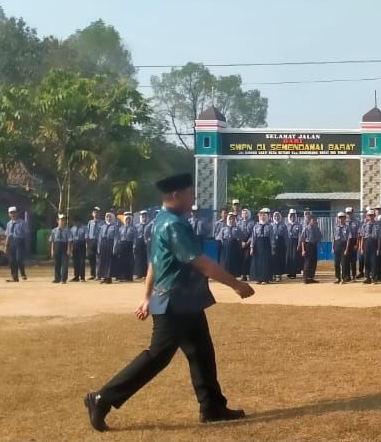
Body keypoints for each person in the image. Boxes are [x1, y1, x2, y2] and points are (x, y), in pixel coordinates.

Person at [84, 172, 254, 432]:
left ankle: (212, 406)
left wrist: (146, 297)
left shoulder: (163, 220)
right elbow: (200, 262)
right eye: (190, 193)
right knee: (157, 356)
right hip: (174, 303)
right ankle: (101, 399)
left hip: (187, 302)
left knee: (201, 353)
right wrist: (236, 285)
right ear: (176, 195)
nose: (193, 197)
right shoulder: (172, 224)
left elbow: (155, 262)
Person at [249, 209, 274, 285]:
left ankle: (266, 279)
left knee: (266, 262)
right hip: (258, 245)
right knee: (258, 262)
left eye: (264, 215)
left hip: (266, 245)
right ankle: (258, 278)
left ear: (266, 216)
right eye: (261, 215)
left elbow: (272, 238)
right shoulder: (256, 226)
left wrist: (273, 248)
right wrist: (252, 247)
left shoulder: (270, 226)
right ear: (259, 217)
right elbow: (253, 237)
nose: (262, 217)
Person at [299, 210, 321, 284]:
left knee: (314, 262)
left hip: (314, 246)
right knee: (307, 262)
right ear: (309, 220)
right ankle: (305, 278)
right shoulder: (306, 228)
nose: (314, 221)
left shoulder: (316, 228)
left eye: (315, 220)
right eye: (312, 220)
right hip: (307, 245)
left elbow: (320, 237)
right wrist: (303, 250)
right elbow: (302, 239)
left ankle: (311, 277)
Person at [218, 213, 243, 278]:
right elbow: (221, 238)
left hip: (235, 246)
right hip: (226, 246)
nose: (231, 220)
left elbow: (240, 237)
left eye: (233, 219)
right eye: (230, 219)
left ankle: (234, 274)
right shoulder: (224, 228)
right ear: (227, 220)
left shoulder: (238, 228)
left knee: (234, 260)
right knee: (226, 260)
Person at [98, 212, 119, 284]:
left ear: (112, 218)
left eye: (110, 217)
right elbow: (100, 237)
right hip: (103, 244)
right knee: (102, 261)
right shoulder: (102, 226)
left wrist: (114, 247)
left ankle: (108, 277)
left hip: (110, 244)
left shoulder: (115, 227)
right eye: (107, 217)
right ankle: (102, 277)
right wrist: (99, 247)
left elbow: (116, 238)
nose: (108, 218)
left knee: (109, 262)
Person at [50, 214, 71, 284]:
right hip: (56, 246)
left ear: (65, 221)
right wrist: (52, 250)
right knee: (57, 264)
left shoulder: (67, 230)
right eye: (60, 220)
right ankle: (57, 278)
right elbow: (52, 241)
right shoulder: (54, 230)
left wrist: (68, 249)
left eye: (63, 220)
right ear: (57, 221)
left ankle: (63, 279)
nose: (62, 221)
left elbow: (69, 241)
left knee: (64, 264)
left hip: (64, 246)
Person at [85, 207, 103, 280]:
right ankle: (93, 274)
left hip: (99, 241)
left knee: (99, 259)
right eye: (94, 212)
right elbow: (87, 232)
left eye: (97, 212)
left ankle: (99, 275)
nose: (96, 214)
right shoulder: (90, 222)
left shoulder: (102, 222)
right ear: (92, 214)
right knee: (91, 258)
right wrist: (87, 243)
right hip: (91, 241)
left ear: (99, 214)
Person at [332, 212, 350, 284]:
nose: (341, 219)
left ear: (345, 218)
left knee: (343, 263)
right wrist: (332, 247)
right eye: (340, 217)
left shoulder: (347, 227)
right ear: (338, 218)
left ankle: (343, 278)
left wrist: (347, 249)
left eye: (342, 217)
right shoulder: (335, 227)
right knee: (336, 263)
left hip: (344, 245)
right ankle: (337, 278)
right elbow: (333, 238)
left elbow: (348, 238)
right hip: (337, 244)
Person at [70, 215, 87, 282]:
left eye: (76, 222)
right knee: (75, 262)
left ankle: (82, 277)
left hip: (82, 244)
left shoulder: (84, 228)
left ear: (79, 221)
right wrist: (71, 248)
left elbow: (86, 238)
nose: (75, 224)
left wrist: (87, 246)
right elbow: (71, 239)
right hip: (74, 245)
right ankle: (76, 276)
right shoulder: (72, 228)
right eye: (74, 222)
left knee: (82, 262)